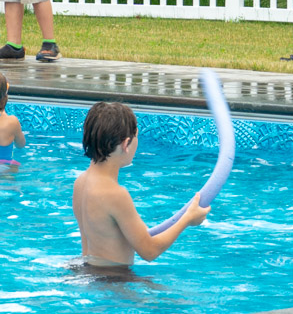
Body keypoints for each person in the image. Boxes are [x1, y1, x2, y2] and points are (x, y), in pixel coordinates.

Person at [71, 101, 208, 270]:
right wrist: (187, 219)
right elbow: (149, 251)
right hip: (112, 278)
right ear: (126, 144)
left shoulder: (81, 182)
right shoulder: (115, 194)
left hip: (85, 269)